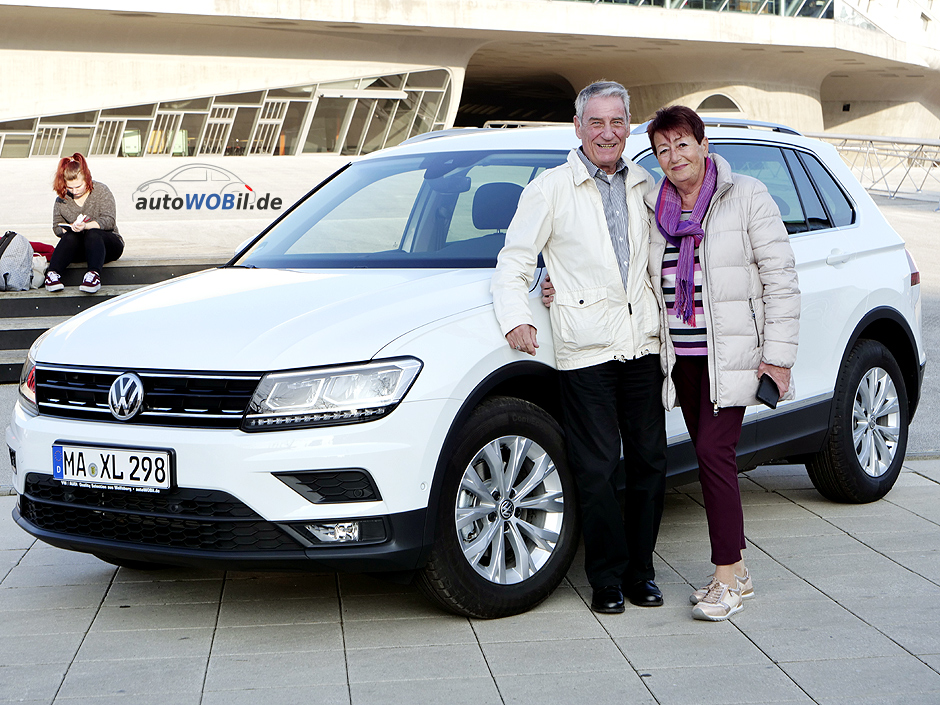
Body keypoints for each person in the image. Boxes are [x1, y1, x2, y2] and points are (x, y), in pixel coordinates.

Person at [491, 81, 668, 615]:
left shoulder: (646, 183)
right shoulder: (550, 189)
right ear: (579, 128)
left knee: (650, 464)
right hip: (586, 348)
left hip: (642, 345)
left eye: (618, 122)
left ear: (630, 126)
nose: (608, 133)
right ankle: (608, 577)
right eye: (597, 122)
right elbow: (515, 260)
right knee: (596, 471)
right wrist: (518, 317)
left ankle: (642, 572)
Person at [645, 105, 800, 620]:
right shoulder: (656, 208)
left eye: (683, 143)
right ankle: (739, 573)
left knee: (713, 455)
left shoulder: (746, 196)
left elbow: (781, 280)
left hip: (731, 358)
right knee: (713, 457)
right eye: (663, 149)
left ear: (703, 145)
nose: (674, 156)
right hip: (682, 361)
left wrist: (777, 360)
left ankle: (727, 577)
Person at [46, 152, 124, 294]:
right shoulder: (62, 198)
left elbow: (109, 221)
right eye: (70, 188)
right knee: (70, 237)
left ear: (87, 179)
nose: (74, 191)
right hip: (79, 247)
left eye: (78, 186)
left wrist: (86, 226)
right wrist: (69, 229)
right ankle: (52, 274)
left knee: (93, 234)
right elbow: (56, 226)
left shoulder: (101, 190)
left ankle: (93, 275)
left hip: (106, 244)